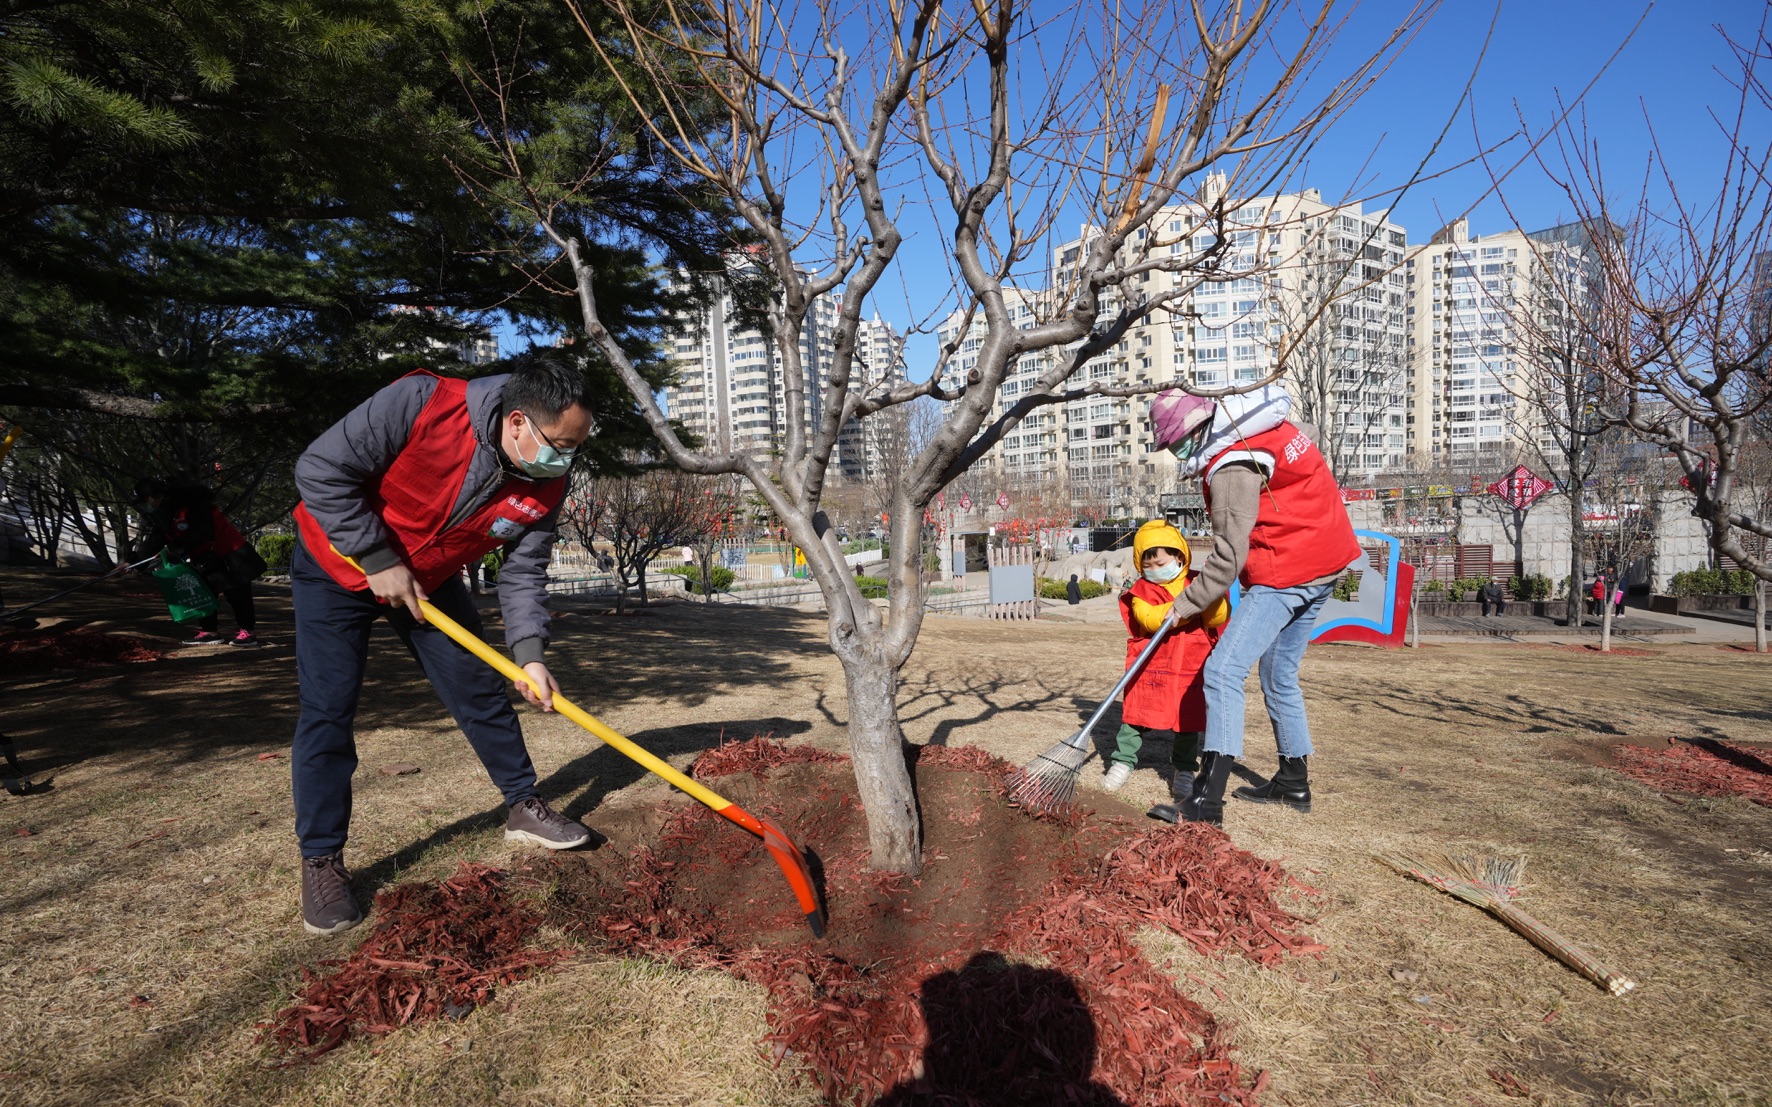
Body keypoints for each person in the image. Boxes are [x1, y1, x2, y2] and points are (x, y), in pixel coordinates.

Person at [289, 353, 596, 937]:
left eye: (575, 446)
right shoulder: (423, 402)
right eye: (559, 442)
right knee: (328, 710)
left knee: (479, 689)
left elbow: (524, 572)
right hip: (336, 565)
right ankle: (322, 861)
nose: (565, 458)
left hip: (427, 580)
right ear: (517, 423)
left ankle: (522, 806)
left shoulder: (548, 479)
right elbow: (321, 468)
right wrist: (376, 557)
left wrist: (529, 652)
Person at [1143, 384, 1363, 826]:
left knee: (1223, 669)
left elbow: (1228, 555)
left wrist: (1186, 602)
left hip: (1290, 570)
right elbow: (1307, 438)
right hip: (1328, 558)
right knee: (1278, 673)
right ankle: (1292, 780)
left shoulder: (1231, 467)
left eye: (1173, 443)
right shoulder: (1262, 423)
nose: (1174, 452)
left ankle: (1207, 798)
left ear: (1196, 429)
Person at [1101, 521, 1228, 802]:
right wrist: (1189, 607)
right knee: (1136, 715)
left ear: (1179, 558)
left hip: (1189, 666)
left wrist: (1212, 595)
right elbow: (1149, 619)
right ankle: (1122, 761)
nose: (1154, 570)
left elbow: (1216, 618)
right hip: (1151, 665)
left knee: (1187, 721)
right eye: (1148, 566)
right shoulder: (1141, 590)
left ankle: (1183, 769)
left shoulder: (1198, 584)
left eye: (1160, 563)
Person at [131, 478, 265, 646]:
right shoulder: (163, 514)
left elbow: (202, 533)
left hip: (230, 552)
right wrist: (135, 562)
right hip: (204, 556)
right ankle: (209, 631)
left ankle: (247, 631)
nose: (146, 506)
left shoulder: (193, 505)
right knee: (203, 591)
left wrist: (175, 548)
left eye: (145, 501)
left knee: (237, 594)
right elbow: (155, 539)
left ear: (153, 497)